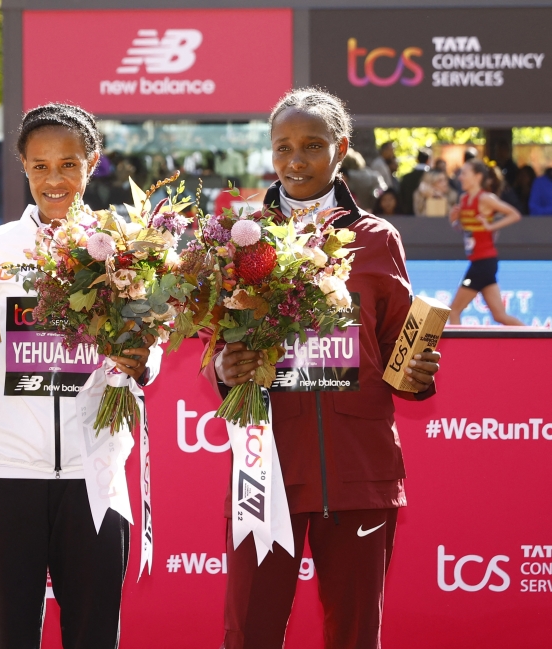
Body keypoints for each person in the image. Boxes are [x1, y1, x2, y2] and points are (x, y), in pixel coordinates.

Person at [201, 88, 440, 649]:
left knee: (356, 635)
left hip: (360, 472)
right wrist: (223, 369)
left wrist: (420, 372)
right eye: (283, 147)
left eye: (312, 146)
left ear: (341, 148)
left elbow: (398, 351)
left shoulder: (377, 238)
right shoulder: (238, 241)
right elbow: (212, 345)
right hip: (267, 471)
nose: (296, 160)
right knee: (250, 632)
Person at [0, 102, 161, 649]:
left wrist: (138, 358)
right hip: (7, 472)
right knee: (9, 636)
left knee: (94, 637)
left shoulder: (128, 249)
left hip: (94, 476)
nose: (54, 179)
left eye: (68, 164)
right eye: (40, 166)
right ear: (22, 165)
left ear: (92, 164)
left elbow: (149, 354)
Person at [447, 160, 525, 326]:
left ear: (478, 176)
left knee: (453, 310)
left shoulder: (486, 198)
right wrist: (454, 223)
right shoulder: (464, 199)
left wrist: (491, 226)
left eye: (464, 173)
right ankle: (540, 341)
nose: (460, 177)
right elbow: (469, 232)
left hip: (483, 263)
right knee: (500, 316)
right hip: (481, 262)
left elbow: (514, 214)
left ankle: (456, 352)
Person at [397, 149, 430, 215]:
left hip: (408, 216)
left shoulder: (406, 178)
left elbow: (401, 197)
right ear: (428, 161)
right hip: (429, 216)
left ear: (416, 160)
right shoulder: (433, 178)